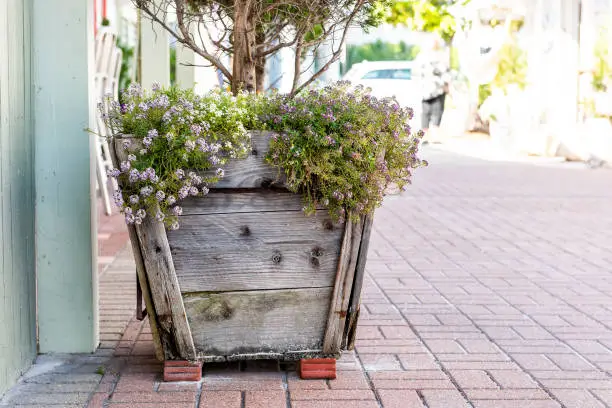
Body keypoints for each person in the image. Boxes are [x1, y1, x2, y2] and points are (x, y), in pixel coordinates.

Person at [418, 37, 451, 144]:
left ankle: (428, 136)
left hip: (432, 89)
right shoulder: (439, 57)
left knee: (431, 112)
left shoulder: (422, 56)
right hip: (435, 88)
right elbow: (445, 71)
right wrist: (446, 84)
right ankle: (428, 136)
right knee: (432, 112)